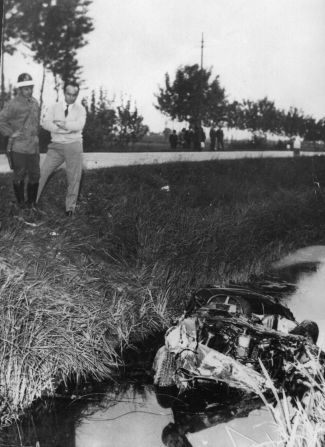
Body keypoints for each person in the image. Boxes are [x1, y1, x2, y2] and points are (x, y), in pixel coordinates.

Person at [36, 80, 86, 216]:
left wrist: (63, 125)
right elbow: (46, 123)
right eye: (69, 94)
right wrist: (63, 129)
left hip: (73, 146)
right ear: (64, 93)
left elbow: (79, 125)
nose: (72, 97)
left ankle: (70, 209)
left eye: (75, 95)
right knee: (42, 173)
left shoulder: (81, 109)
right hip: (56, 146)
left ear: (77, 95)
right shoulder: (54, 107)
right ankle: (32, 203)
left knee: (74, 178)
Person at [0, 73, 40, 208]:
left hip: (34, 146)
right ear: (20, 89)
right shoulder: (13, 104)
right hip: (19, 147)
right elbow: (1, 121)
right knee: (20, 174)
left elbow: (36, 123)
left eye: (31, 87)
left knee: (35, 174)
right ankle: (21, 204)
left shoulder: (35, 102)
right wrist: (11, 133)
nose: (29, 90)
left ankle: (32, 203)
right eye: (26, 88)